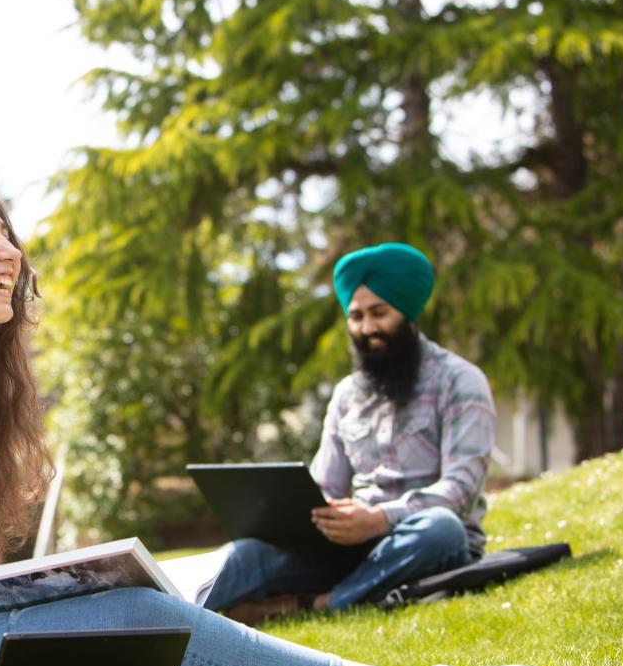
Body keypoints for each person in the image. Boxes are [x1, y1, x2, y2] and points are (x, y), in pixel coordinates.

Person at [0, 182, 548, 666]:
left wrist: (15, 588)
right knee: (143, 612)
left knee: (129, 607)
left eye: (8, 234)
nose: (8, 252)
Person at [204, 242, 495, 621]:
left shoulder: (459, 380)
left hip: (425, 542)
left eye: (379, 313)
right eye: (355, 316)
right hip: (350, 547)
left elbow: (459, 489)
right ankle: (166, 613)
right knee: (247, 553)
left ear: (406, 313)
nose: (367, 328)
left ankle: (316, 605)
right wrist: (307, 517)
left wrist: (378, 519)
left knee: (441, 528)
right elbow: (326, 484)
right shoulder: (346, 394)